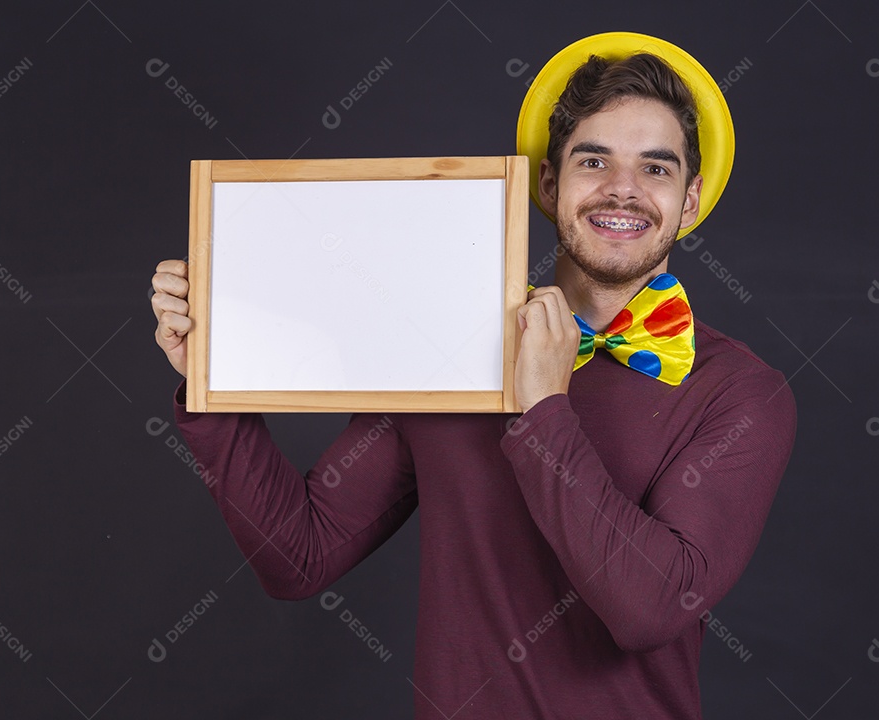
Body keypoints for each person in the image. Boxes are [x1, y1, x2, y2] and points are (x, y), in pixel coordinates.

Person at [150, 31, 796, 720]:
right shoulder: (446, 354)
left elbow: (648, 610)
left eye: (656, 169)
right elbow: (299, 558)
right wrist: (214, 381)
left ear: (690, 202)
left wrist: (544, 405)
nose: (622, 189)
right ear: (548, 182)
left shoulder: (740, 393)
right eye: (595, 160)